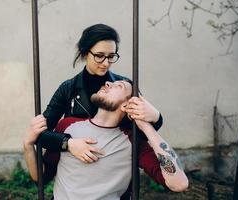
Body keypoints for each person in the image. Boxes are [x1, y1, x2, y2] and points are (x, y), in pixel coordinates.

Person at [24, 24, 164, 198]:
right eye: (99, 56)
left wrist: (157, 118)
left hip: (113, 180)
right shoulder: (68, 89)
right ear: (84, 53)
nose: (106, 63)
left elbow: (141, 131)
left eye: (111, 56)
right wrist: (68, 143)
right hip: (75, 178)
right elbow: (40, 133)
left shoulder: (124, 87)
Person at [23, 80, 189, 199]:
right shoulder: (67, 125)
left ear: (127, 105)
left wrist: (146, 125)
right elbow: (42, 176)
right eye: (110, 83)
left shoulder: (132, 141)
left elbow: (179, 184)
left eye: (118, 86)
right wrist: (28, 145)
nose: (107, 83)